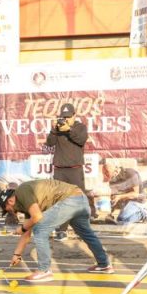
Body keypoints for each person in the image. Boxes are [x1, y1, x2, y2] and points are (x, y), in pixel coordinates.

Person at [0, 179, 112, 283]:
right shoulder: (26, 202)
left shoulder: (22, 191)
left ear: (10, 201)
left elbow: (36, 217)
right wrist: (17, 254)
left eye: (7, 210)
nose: (10, 212)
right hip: (80, 199)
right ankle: (104, 264)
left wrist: (22, 228)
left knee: (40, 229)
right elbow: (27, 233)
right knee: (86, 234)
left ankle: (44, 271)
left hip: (70, 200)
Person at [45, 102, 92, 238]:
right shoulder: (58, 128)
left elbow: (81, 140)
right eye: (64, 117)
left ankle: (83, 231)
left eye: (68, 116)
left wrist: (68, 130)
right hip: (60, 170)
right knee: (60, 201)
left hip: (75, 170)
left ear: (74, 115)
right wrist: (54, 129)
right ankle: (62, 230)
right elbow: (49, 143)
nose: (66, 119)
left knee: (79, 201)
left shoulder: (80, 127)